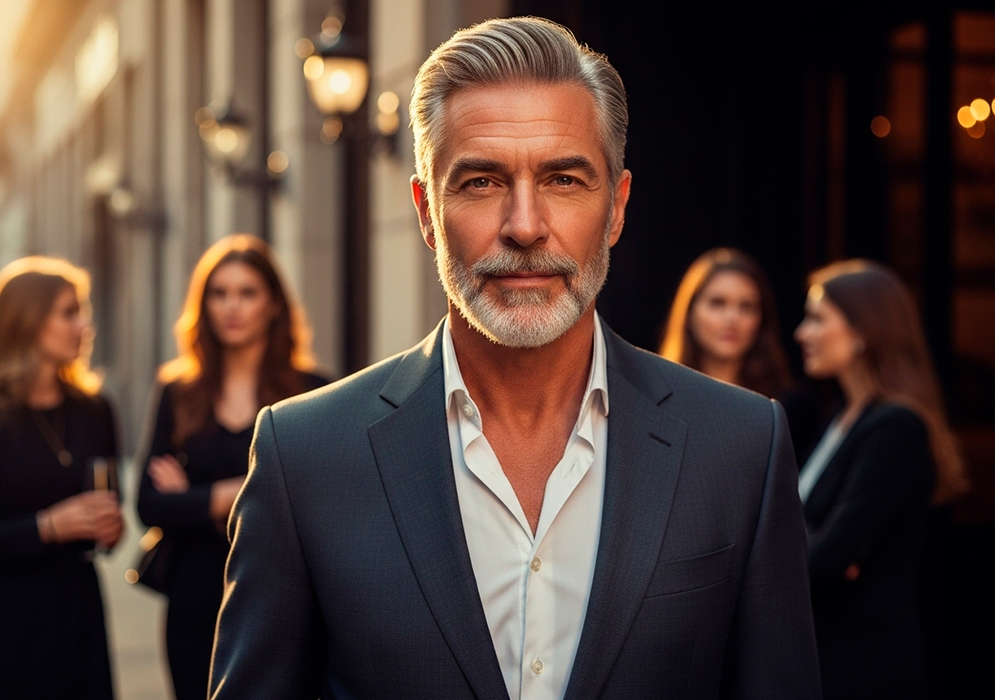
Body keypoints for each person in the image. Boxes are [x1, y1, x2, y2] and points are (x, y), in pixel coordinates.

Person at [209, 18, 821, 699]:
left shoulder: (740, 446)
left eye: (563, 179)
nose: (525, 226)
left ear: (615, 208)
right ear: (425, 211)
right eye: (480, 182)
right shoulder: (305, 456)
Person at [135, 234, 328, 700]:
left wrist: (199, 498)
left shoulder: (312, 391)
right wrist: (249, 492)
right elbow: (149, 503)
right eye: (219, 293)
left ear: (274, 305)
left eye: (247, 293)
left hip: (281, 593)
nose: (231, 307)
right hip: (193, 593)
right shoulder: (177, 391)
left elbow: (320, 499)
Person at [794, 259, 968, 700]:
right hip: (829, 652)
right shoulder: (839, 417)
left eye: (817, 319)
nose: (802, 333)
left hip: (865, 662)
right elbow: (816, 544)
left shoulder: (896, 426)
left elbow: (827, 560)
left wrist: (818, 547)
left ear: (861, 331)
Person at [0, 256, 124, 699]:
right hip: (10, 617)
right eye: (69, 312)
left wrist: (110, 528)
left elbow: (112, 504)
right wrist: (48, 526)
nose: (84, 325)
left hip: (78, 611)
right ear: (28, 320)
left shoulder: (95, 410)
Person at [658, 248, 816, 456]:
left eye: (747, 306)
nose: (732, 318)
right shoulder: (654, 399)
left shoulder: (787, 409)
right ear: (689, 313)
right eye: (717, 303)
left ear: (762, 319)